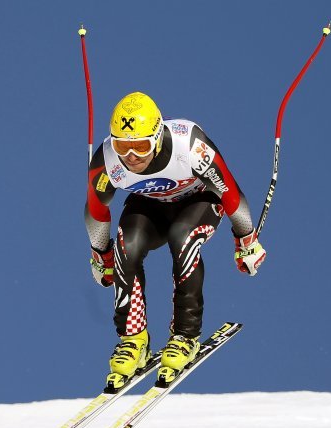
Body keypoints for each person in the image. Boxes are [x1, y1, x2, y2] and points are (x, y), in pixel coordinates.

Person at [85, 92, 266, 389]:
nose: (131, 157)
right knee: (125, 245)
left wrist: (246, 239)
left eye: (141, 147)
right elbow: (95, 211)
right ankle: (134, 340)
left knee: (183, 238)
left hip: (200, 200)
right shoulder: (106, 161)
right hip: (151, 204)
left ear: (156, 137)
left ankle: (184, 336)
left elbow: (229, 192)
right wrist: (101, 255)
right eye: (122, 147)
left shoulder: (189, 144)